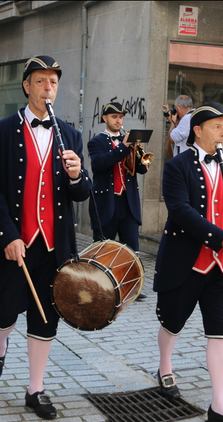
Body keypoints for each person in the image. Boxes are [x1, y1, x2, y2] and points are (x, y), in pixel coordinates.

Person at [0, 55, 91, 420]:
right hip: (12, 243)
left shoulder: (70, 134)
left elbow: (81, 193)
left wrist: (76, 176)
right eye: (40, 81)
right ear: (27, 86)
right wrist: (7, 234)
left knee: (46, 315)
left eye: (53, 82)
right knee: (3, 309)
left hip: (54, 245)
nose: (48, 88)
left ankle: (35, 388)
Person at [153, 103, 223, 422]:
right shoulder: (177, 166)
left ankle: (219, 405)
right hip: (186, 262)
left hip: (222, 267)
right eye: (217, 126)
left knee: (220, 331)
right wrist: (220, 237)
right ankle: (165, 365)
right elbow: (180, 211)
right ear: (197, 130)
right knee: (172, 320)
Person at [88, 102, 148, 299]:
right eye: (114, 117)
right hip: (106, 201)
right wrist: (123, 147)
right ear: (105, 119)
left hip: (128, 202)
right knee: (103, 246)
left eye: (121, 117)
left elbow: (139, 170)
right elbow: (100, 163)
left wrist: (140, 157)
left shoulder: (128, 141)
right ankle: (100, 286)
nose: (118, 120)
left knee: (131, 247)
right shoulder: (96, 142)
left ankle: (132, 287)